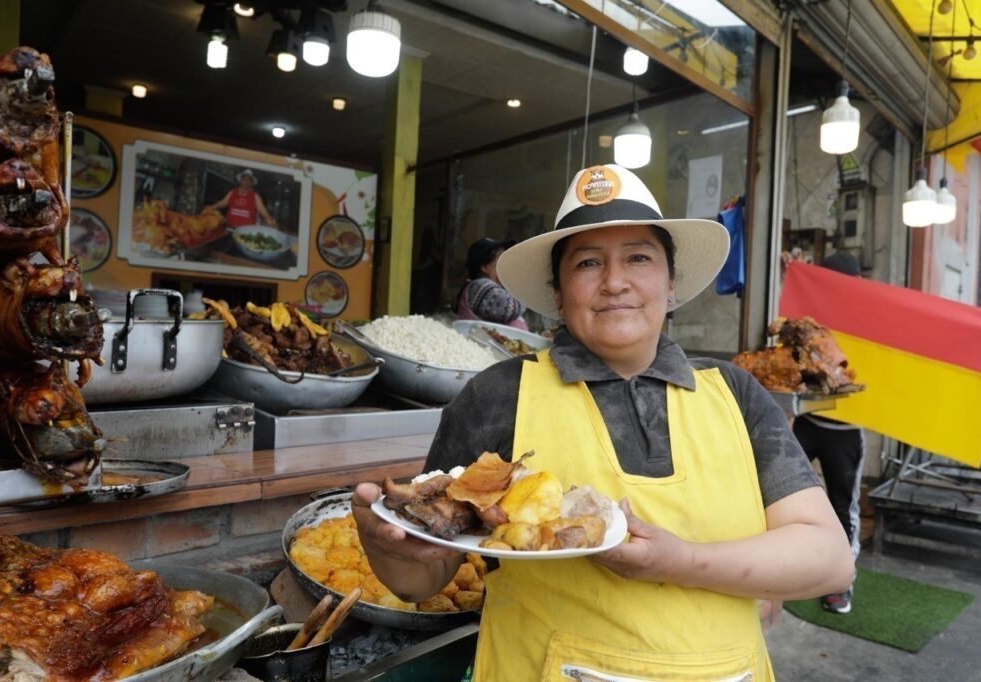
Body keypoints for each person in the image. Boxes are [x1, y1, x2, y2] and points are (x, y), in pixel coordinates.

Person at [353, 164, 853, 680]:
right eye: (588, 262)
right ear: (558, 291)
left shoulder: (735, 393)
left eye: (639, 257)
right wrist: (388, 548)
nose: (615, 282)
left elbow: (830, 559)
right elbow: (426, 577)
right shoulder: (499, 394)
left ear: (671, 282)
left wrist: (681, 561)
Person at [792, 250, 866, 615]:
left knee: (842, 504)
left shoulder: (869, 317)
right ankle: (783, 563)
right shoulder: (813, 314)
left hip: (846, 429)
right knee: (782, 490)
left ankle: (841, 582)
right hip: (809, 418)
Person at [456, 236, 528, 330]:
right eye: (501, 260)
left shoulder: (489, 288)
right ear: (485, 267)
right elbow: (511, 309)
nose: (507, 265)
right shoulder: (480, 286)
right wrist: (523, 285)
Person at [206, 169, 277, 228]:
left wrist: (269, 218)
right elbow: (224, 202)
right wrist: (212, 207)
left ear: (251, 183)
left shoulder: (255, 195)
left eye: (249, 180)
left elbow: (261, 209)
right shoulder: (232, 192)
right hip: (230, 228)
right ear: (240, 180)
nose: (246, 181)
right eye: (244, 179)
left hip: (246, 231)